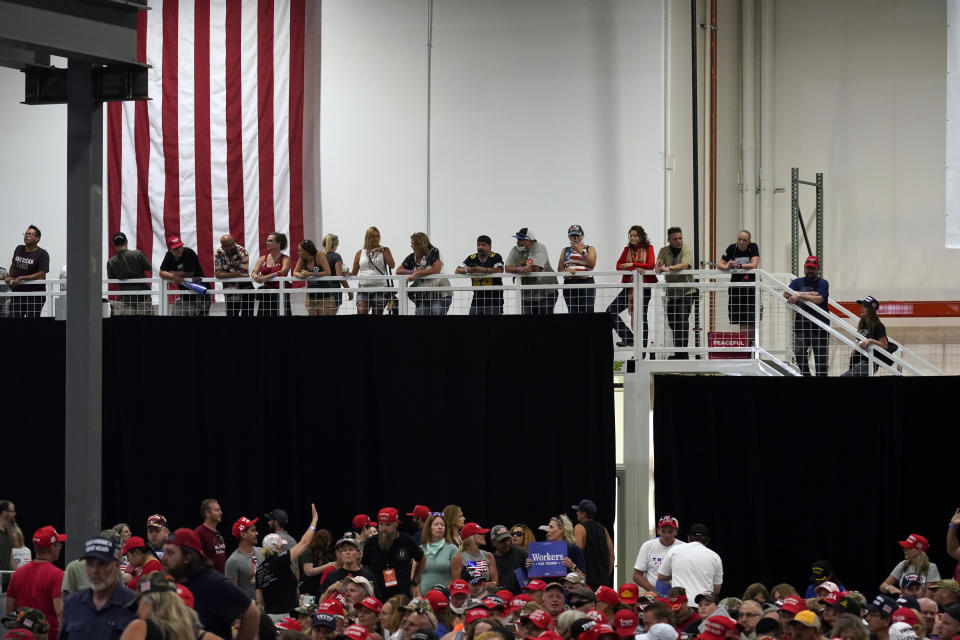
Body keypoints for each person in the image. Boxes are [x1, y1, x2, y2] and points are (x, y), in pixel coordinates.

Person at [161, 527, 260, 640]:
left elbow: (252, 614)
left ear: (187, 558)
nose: (163, 558)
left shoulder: (214, 583)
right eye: (164, 552)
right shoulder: (171, 581)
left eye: (170, 553)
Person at [58, 536, 136, 640]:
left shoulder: (133, 604)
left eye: (102, 564)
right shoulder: (73, 603)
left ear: (117, 566)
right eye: (90, 564)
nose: (95, 571)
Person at [257, 506, 319, 622]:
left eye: (270, 520)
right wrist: (314, 520)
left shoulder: (259, 570)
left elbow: (259, 600)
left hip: (270, 616)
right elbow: (305, 542)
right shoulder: (282, 559)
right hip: (287, 614)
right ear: (279, 548)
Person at [119, 571, 222, 640]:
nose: (137, 612)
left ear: (149, 602)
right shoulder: (204, 636)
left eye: (137, 605)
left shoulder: (140, 627)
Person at [5, 525, 66, 639]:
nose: (60, 548)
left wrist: (26, 619)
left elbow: (10, 612)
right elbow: (59, 613)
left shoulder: (17, 574)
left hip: (22, 636)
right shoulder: (57, 575)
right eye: (59, 545)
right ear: (52, 548)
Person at [608, 225, 657, 349]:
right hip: (629, 288)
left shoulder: (649, 248)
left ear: (641, 236)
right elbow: (619, 266)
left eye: (635, 235)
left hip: (643, 288)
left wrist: (632, 264)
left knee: (642, 318)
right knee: (610, 311)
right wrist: (635, 268)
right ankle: (629, 338)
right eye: (631, 236)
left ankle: (643, 350)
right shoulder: (626, 250)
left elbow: (651, 265)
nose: (632, 238)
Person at [363, 507, 426, 601]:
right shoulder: (370, 544)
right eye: (381, 524)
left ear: (396, 523)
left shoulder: (407, 541)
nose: (383, 528)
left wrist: (414, 583)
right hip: (378, 595)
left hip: (401, 595)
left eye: (387, 525)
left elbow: (422, 558)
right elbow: (364, 566)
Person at [783, 256, 830, 376]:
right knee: (798, 351)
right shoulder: (798, 282)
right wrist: (807, 293)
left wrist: (799, 295)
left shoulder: (823, 283)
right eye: (808, 268)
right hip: (802, 325)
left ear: (817, 269)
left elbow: (819, 299)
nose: (810, 271)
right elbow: (786, 293)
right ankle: (806, 375)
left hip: (820, 327)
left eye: (812, 269)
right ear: (804, 268)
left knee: (821, 362)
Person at [654, 228, 695, 359]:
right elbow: (658, 264)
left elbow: (685, 265)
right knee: (673, 323)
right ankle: (679, 353)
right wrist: (658, 265)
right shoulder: (663, 250)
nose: (678, 241)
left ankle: (682, 355)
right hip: (671, 293)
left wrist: (669, 268)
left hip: (687, 291)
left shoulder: (687, 249)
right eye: (675, 239)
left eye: (680, 238)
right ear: (669, 240)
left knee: (682, 320)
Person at [656, 524, 722, 598]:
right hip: (703, 605)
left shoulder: (675, 550)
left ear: (688, 538)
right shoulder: (715, 557)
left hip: (680, 604)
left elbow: (661, 577)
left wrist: (677, 572)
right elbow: (716, 589)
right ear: (707, 540)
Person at [504, 228, 558, 315]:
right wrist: (519, 269)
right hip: (526, 294)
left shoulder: (539, 247)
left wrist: (519, 269)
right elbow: (507, 268)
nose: (517, 242)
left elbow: (536, 269)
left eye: (521, 240)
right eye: (517, 239)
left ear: (529, 240)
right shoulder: (515, 249)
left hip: (546, 292)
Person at [397, 232, 453, 316]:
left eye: (413, 244)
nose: (411, 246)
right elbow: (398, 271)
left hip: (439, 292)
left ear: (420, 244)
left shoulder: (434, 251)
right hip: (424, 294)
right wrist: (413, 271)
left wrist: (417, 273)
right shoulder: (412, 257)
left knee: (436, 311)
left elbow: (436, 269)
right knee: (421, 313)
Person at [717, 230, 760, 329]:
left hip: (751, 287)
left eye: (744, 240)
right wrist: (728, 267)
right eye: (739, 239)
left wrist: (739, 265)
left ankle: (753, 343)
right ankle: (744, 343)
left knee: (752, 319)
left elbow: (754, 265)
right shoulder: (732, 248)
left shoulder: (753, 247)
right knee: (741, 319)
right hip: (736, 287)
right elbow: (719, 264)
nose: (741, 242)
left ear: (749, 241)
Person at [842, 296, 894, 376]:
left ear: (871, 310)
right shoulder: (862, 323)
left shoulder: (878, 326)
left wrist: (871, 340)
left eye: (865, 307)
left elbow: (885, 345)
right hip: (859, 359)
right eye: (862, 306)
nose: (862, 308)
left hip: (870, 362)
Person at [159, 236, 211, 316]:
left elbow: (188, 273)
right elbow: (161, 273)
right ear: (170, 250)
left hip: (201, 293)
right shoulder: (169, 255)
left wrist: (170, 273)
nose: (179, 250)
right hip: (185, 295)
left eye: (180, 247)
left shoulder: (189, 253)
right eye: (175, 249)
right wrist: (173, 276)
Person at [4, 225, 49, 317]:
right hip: (17, 293)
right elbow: (13, 265)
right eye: (26, 234)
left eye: (30, 234)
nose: (27, 236)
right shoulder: (19, 248)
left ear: (37, 238)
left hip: (35, 295)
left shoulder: (42, 254)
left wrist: (21, 277)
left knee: (31, 324)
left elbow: (41, 273)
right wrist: (10, 275)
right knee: (14, 322)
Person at [455, 235, 505, 316]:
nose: (480, 247)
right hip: (477, 300)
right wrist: (467, 270)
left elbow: (500, 270)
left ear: (490, 247)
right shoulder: (471, 258)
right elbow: (457, 270)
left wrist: (483, 270)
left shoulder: (495, 257)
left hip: (494, 300)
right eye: (478, 245)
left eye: (483, 245)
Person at [633, 515, 685, 593]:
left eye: (670, 531)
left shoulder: (684, 547)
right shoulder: (648, 546)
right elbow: (636, 575)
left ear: (676, 532)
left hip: (677, 593)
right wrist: (654, 591)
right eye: (663, 531)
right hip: (652, 592)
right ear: (658, 530)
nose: (666, 535)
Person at [106, 231, 153, 315]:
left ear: (114, 244)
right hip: (143, 295)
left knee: (128, 326)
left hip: (126, 297)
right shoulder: (138, 254)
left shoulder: (111, 262)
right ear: (126, 241)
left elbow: (112, 278)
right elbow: (148, 267)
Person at [353, 227, 396, 315]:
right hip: (363, 288)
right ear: (367, 238)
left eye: (377, 236)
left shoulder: (385, 250)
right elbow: (354, 273)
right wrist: (345, 273)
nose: (376, 238)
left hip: (380, 288)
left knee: (377, 315)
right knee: (361, 313)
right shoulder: (360, 253)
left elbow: (392, 265)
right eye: (373, 236)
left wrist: (382, 251)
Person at [571, 500, 614, 589]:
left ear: (584, 514)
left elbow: (576, 555)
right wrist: (605, 576)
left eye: (579, 511)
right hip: (603, 585)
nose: (577, 513)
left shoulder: (579, 528)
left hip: (586, 584)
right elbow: (612, 557)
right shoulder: (603, 529)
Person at [557, 225, 597, 314]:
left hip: (586, 282)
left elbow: (592, 264)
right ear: (569, 237)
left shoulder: (589, 248)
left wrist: (580, 251)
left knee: (588, 312)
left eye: (577, 235)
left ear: (582, 235)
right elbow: (560, 269)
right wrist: (566, 272)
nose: (574, 238)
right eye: (572, 236)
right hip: (569, 283)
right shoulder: (565, 250)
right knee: (573, 313)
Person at [533, 516, 586, 582]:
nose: (547, 530)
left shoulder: (574, 549)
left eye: (551, 527)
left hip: (567, 590)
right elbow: (536, 580)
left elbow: (583, 579)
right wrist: (531, 567)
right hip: (546, 590)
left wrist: (572, 566)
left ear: (561, 530)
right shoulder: (543, 550)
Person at [252, 231, 293, 316]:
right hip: (266, 293)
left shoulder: (285, 258)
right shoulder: (263, 258)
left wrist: (267, 277)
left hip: (280, 293)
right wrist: (256, 277)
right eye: (267, 241)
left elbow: (283, 271)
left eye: (270, 241)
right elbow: (253, 272)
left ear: (279, 243)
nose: (267, 243)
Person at [214, 234, 255, 316]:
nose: (226, 248)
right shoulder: (219, 252)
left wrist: (225, 274)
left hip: (245, 287)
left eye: (229, 245)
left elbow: (243, 272)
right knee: (231, 313)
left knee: (247, 313)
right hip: (229, 288)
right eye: (224, 245)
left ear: (233, 243)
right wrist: (237, 273)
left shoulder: (242, 252)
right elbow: (218, 274)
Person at [293, 239, 334, 316]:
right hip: (311, 295)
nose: (298, 253)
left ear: (307, 251)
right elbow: (295, 272)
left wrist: (309, 273)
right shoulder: (302, 257)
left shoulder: (319, 254)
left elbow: (328, 272)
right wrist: (300, 275)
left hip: (324, 294)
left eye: (300, 251)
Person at [225, 516, 262, 601]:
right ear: (243, 535)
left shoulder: (262, 552)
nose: (257, 533)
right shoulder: (233, 561)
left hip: (267, 609)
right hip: (248, 611)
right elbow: (232, 594)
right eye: (253, 530)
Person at [420, 515, 458, 592]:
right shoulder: (421, 549)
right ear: (429, 528)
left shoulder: (452, 548)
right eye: (436, 524)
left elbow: (456, 578)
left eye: (442, 525)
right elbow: (414, 578)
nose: (440, 527)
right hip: (423, 598)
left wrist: (445, 593)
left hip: (445, 597)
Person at [489, 525, 527, 595]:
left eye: (507, 539)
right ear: (493, 542)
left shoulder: (522, 553)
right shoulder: (491, 559)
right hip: (499, 599)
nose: (506, 543)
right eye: (502, 540)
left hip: (520, 599)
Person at [321, 234, 353, 312]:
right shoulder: (336, 257)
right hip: (333, 292)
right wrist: (349, 290)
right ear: (335, 244)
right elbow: (340, 276)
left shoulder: (320, 257)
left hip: (320, 292)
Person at [194, 499, 227, 574]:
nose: (221, 513)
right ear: (207, 513)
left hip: (221, 579)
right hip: (209, 580)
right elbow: (196, 559)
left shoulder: (218, 533)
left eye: (220, 510)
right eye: (217, 510)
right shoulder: (199, 533)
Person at [0, 501, 16, 588]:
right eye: (12, 511)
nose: (14, 514)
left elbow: (11, 557)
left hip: (6, 581)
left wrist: (20, 574)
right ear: (4, 513)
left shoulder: (9, 533)